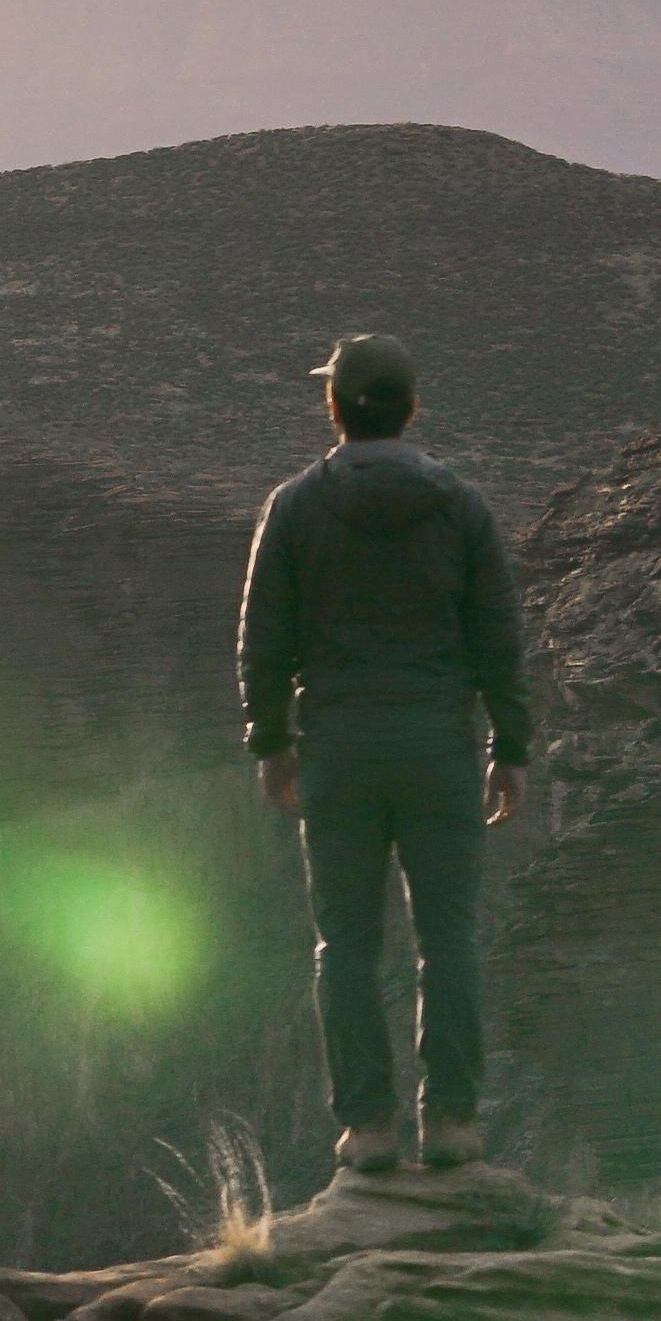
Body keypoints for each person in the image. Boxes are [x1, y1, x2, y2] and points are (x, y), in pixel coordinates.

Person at [238, 332, 536, 1172]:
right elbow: (497, 638)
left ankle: (368, 1130)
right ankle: (452, 1125)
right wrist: (510, 747)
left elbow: (262, 639)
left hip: (339, 752)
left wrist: (271, 743)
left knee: (346, 948)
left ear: (333, 408)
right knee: (449, 943)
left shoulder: (295, 507)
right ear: (411, 408)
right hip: (439, 751)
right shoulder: (463, 508)